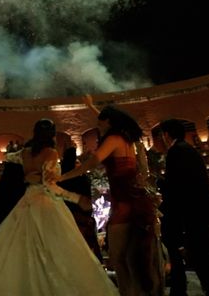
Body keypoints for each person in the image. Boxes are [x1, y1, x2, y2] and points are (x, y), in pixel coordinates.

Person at [0, 118, 117, 295]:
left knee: (21, 249)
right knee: (56, 249)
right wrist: (77, 198)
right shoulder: (51, 153)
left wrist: (27, 177)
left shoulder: (24, 153)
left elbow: (9, 157)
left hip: (26, 203)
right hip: (46, 203)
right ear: (52, 135)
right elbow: (50, 186)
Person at [57, 97, 164, 296]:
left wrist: (62, 176)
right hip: (131, 198)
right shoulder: (126, 139)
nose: (98, 125)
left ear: (109, 123)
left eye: (101, 122)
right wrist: (91, 106)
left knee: (118, 257)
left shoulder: (114, 139)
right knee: (130, 256)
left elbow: (91, 164)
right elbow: (109, 119)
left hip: (124, 201)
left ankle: (129, 292)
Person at [159, 118, 209, 296]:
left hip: (196, 213)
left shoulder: (176, 151)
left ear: (167, 135)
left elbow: (178, 185)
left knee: (202, 261)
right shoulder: (187, 149)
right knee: (203, 260)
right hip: (202, 211)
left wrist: (159, 184)